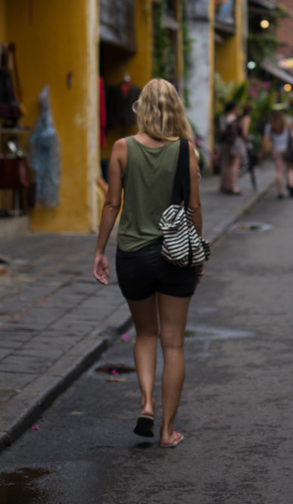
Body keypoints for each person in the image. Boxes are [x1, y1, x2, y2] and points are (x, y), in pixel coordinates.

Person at [93, 78, 202, 449]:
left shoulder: (122, 148)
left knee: (145, 334)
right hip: (175, 257)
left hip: (134, 257)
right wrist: (196, 252)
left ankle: (146, 403)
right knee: (173, 344)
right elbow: (195, 208)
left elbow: (111, 205)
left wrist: (99, 251)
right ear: (175, 108)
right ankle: (168, 432)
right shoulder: (186, 151)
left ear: (141, 107)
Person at [263, 106, 293, 199]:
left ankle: (280, 191)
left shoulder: (269, 126)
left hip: (276, 150)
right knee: (290, 168)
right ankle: (291, 185)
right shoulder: (287, 124)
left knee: (279, 170)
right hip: (286, 149)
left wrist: (264, 151)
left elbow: (266, 139)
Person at [218, 102, 245, 195]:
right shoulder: (236, 119)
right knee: (234, 165)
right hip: (235, 143)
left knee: (225, 164)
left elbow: (222, 131)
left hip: (225, 143)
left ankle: (224, 185)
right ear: (233, 109)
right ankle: (232, 186)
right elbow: (242, 132)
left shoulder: (223, 118)